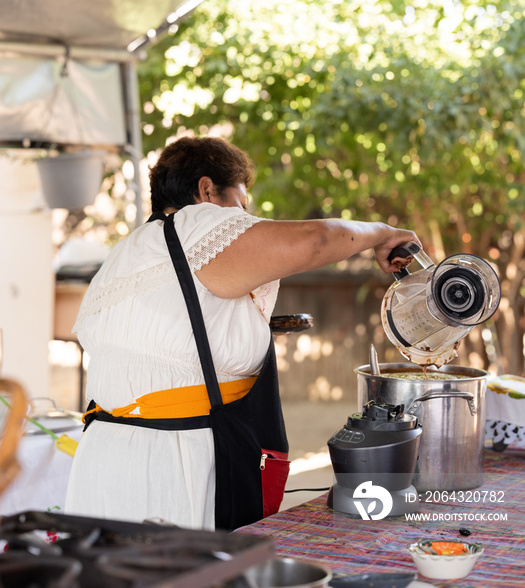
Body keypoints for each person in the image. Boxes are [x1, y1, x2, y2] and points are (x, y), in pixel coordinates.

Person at [65, 135, 421, 530]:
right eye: (242, 207)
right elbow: (315, 240)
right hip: (173, 466)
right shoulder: (195, 223)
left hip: (104, 462)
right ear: (206, 190)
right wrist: (382, 233)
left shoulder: (126, 253)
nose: (245, 221)